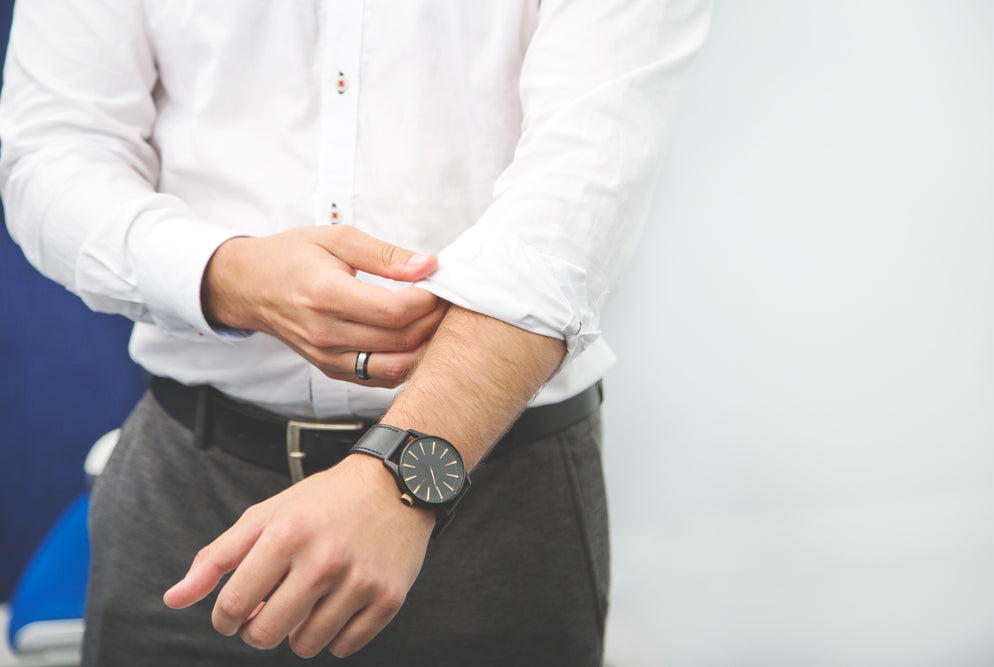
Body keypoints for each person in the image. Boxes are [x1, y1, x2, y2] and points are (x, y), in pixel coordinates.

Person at [0, 1, 710, 665]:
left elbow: (578, 196)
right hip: (191, 496)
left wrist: (399, 479)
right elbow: (53, 152)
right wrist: (227, 275)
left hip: (497, 506)